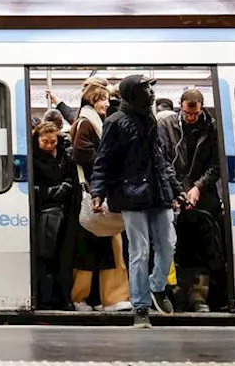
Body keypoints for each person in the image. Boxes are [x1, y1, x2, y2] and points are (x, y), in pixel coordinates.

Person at [89, 74, 185, 329]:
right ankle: (140, 307)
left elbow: (160, 159)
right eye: (146, 89)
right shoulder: (115, 122)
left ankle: (157, 286)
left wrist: (176, 188)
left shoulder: (150, 118)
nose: (152, 94)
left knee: (168, 245)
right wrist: (97, 191)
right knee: (139, 252)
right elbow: (103, 160)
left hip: (159, 192)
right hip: (131, 194)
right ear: (133, 93)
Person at [158, 90, 225, 312]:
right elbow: (164, 160)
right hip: (174, 195)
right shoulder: (166, 125)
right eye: (187, 113)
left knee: (202, 249)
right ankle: (176, 295)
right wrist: (179, 190)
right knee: (174, 249)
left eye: (195, 114)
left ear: (201, 107)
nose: (191, 118)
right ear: (181, 106)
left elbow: (217, 164)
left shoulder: (212, 127)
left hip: (203, 197)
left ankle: (199, 296)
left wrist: (198, 186)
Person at [68, 80, 131, 313]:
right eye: (102, 99)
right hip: (93, 192)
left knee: (107, 248)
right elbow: (83, 154)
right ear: (93, 101)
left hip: (99, 190)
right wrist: (109, 161)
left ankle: (105, 297)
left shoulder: (92, 121)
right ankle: (96, 297)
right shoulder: (86, 123)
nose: (106, 104)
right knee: (103, 248)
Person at [32, 122, 76, 309]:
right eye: (45, 142)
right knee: (46, 255)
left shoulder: (63, 155)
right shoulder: (33, 159)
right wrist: (51, 191)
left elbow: (70, 174)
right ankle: (47, 298)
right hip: (45, 210)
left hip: (63, 210)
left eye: (53, 142)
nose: (50, 146)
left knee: (61, 256)